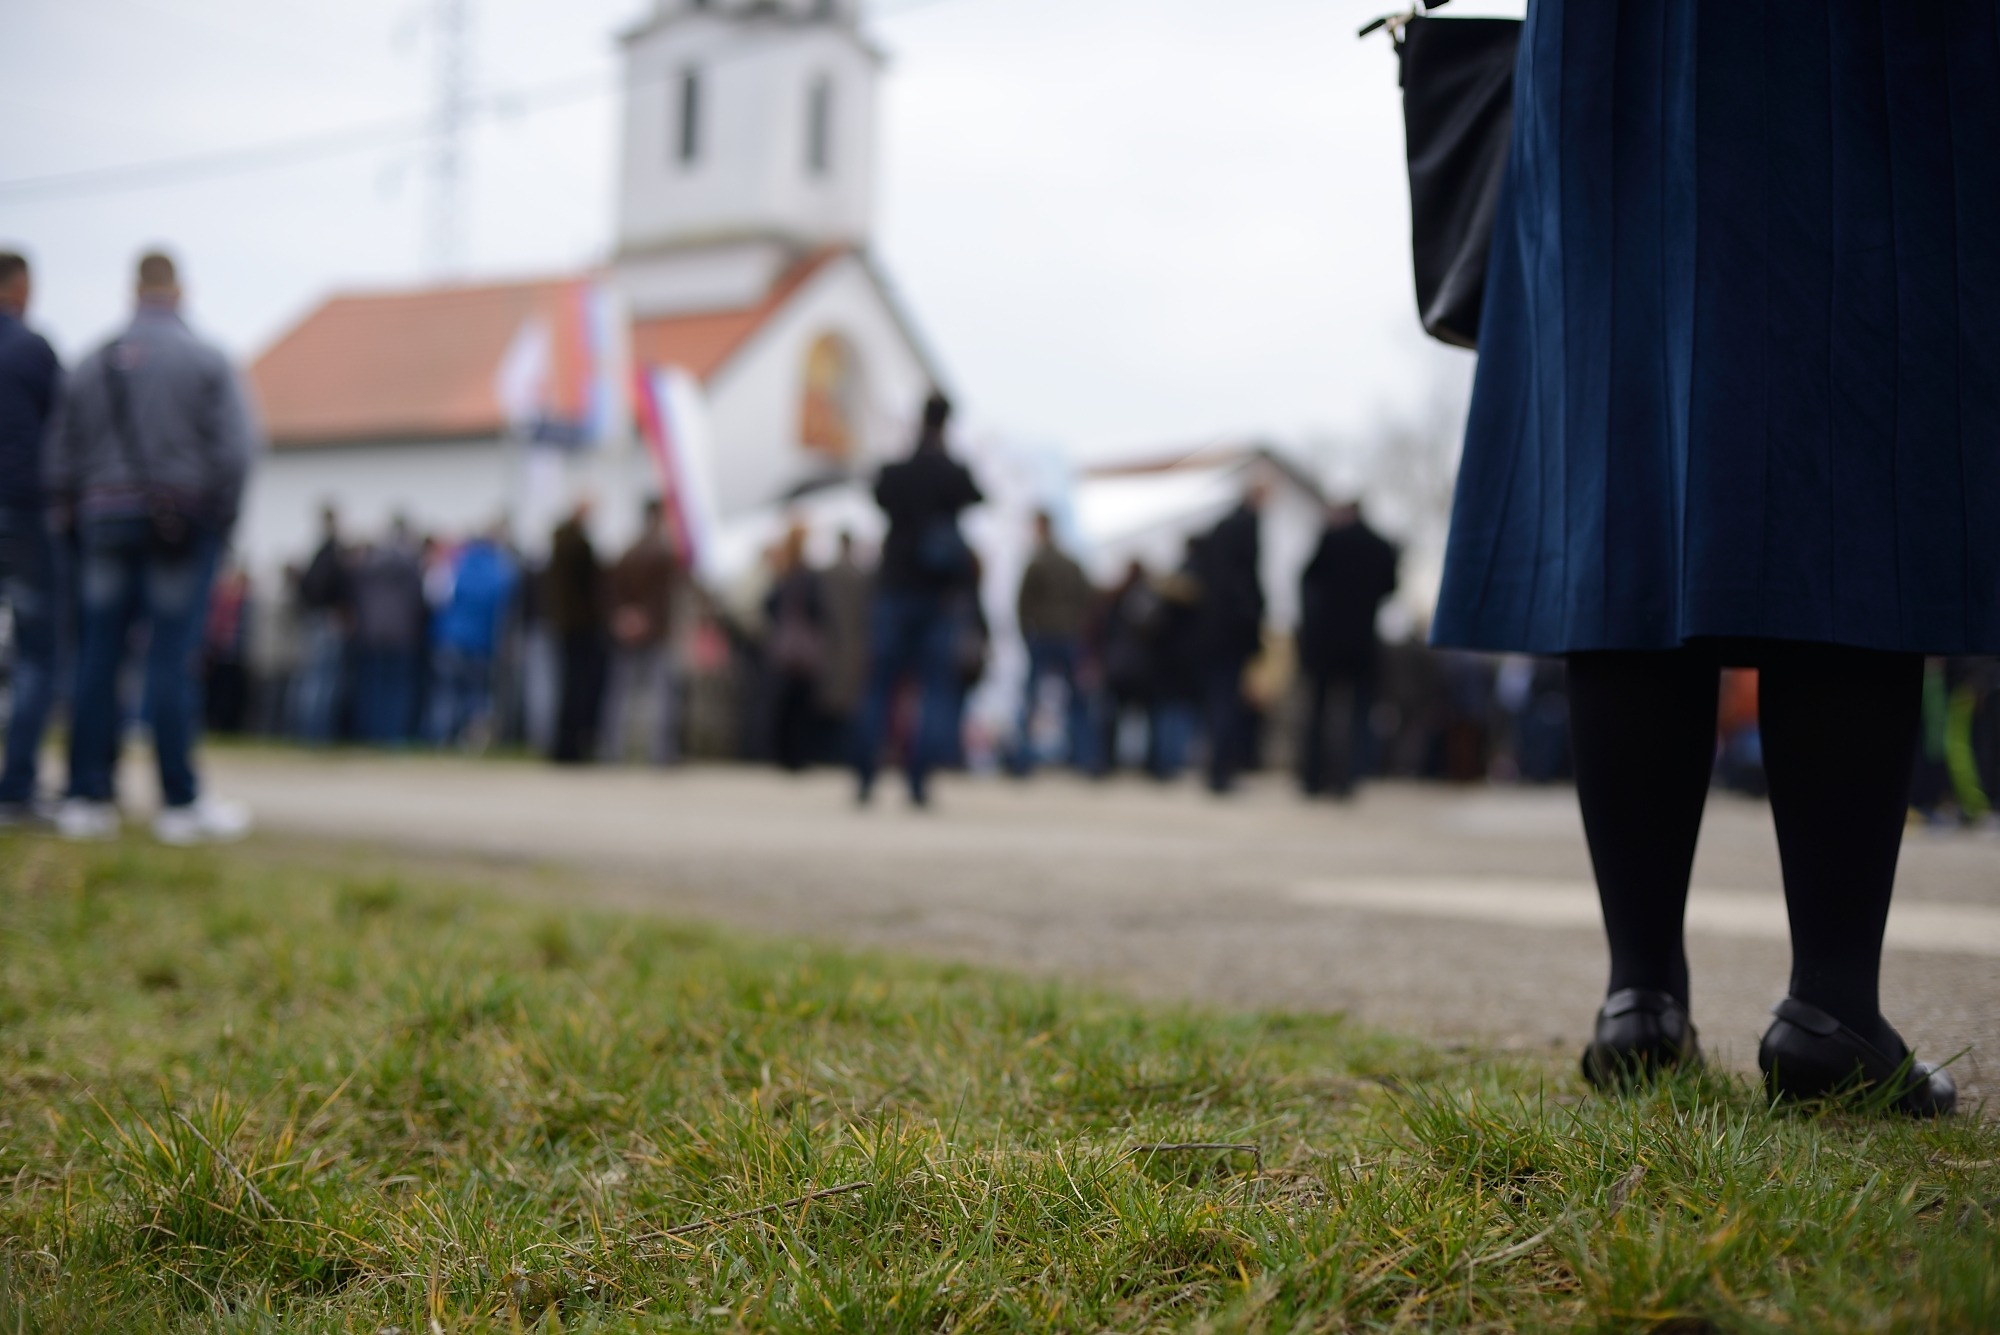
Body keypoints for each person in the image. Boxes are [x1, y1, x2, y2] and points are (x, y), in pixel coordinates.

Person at [1428, 2, 2000, 1116]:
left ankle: (1637, 999)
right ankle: (1831, 1006)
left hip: (1615, 45)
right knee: (1852, 447)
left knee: (1623, 473)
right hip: (1848, 44)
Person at [44, 251, 258, 844]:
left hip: (103, 521)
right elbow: (237, 450)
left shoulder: (92, 361)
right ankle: (178, 801)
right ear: (179, 290)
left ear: (133, 291)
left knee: (98, 655)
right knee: (171, 657)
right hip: (180, 522)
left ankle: (86, 795)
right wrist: (220, 520)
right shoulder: (206, 358)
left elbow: (59, 453)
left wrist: (75, 517)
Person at [852, 391, 983, 807]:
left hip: (895, 588)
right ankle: (919, 781)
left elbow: (878, 495)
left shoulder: (897, 471)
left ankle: (866, 777)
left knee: (880, 686)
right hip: (939, 595)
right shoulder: (953, 473)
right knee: (935, 690)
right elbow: (977, 497)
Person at [0, 252, 63, 829]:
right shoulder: (30, 349)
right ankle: (15, 789)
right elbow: (62, 429)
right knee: (37, 652)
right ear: (19, 288)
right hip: (21, 511)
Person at [1296, 501, 1399, 800]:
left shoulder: (1331, 540)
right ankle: (1350, 777)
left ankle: (1313, 777)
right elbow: (1390, 587)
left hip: (1326, 639)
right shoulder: (1380, 546)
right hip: (1361, 639)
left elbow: (1307, 580)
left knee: (1319, 709)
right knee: (1358, 712)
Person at [1010, 511, 1096, 774]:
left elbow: (1022, 604)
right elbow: (1088, 598)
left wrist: (1027, 634)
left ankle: (1022, 760)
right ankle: (1085, 759)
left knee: (1031, 698)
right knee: (1077, 700)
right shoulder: (1071, 564)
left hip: (1043, 634)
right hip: (1068, 635)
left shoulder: (1037, 563)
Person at [599, 499, 683, 766]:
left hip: (629, 630)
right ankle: (660, 752)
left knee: (621, 694)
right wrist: (645, 618)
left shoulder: (628, 552)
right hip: (655, 632)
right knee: (661, 694)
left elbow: (612, 591)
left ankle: (612, 750)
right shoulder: (663, 553)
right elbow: (665, 597)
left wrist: (625, 616)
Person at [1194, 483, 1266, 794]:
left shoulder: (1220, 529)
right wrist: (1253, 615)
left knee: (1218, 700)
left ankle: (1217, 770)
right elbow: (1246, 580)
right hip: (1232, 631)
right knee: (1227, 701)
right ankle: (1221, 772)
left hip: (1214, 630)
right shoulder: (1245, 526)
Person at [426, 520, 519, 749]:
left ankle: (440, 736)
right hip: (482, 642)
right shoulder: (500, 573)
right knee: (477, 693)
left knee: (446, 692)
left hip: (450, 639)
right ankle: (471, 739)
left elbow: (437, 600)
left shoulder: (455, 568)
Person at [348, 519, 426, 745]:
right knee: (398, 689)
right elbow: (418, 602)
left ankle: (370, 734)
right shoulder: (410, 565)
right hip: (402, 635)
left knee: (372, 688)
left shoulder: (369, 564)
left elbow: (359, 599)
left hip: (372, 634)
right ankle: (394, 735)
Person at [763, 523, 828, 773]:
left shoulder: (784, 573)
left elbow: (769, 604)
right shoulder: (807, 575)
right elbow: (818, 609)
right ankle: (796, 755)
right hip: (802, 646)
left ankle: (784, 754)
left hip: (786, 643)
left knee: (786, 702)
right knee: (799, 703)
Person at [545, 499, 605, 764]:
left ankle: (564, 744)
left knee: (566, 686)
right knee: (576, 688)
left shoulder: (559, 543)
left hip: (565, 624)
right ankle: (570, 746)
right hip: (579, 625)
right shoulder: (577, 545)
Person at [291, 505, 351, 743]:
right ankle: (314, 734)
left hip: (316, 618)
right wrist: (336, 606)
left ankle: (308, 732)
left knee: (314, 678)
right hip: (325, 620)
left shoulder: (317, 552)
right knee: (321, 680)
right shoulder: (330, 553)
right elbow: (323, 587)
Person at [816, 531, 873, 763]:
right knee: (850, 703)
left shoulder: (825, 575)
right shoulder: (861, 576)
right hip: (854, 642)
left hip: (829, 643)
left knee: (830, 701)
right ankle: (845, 755)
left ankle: (826, 753)